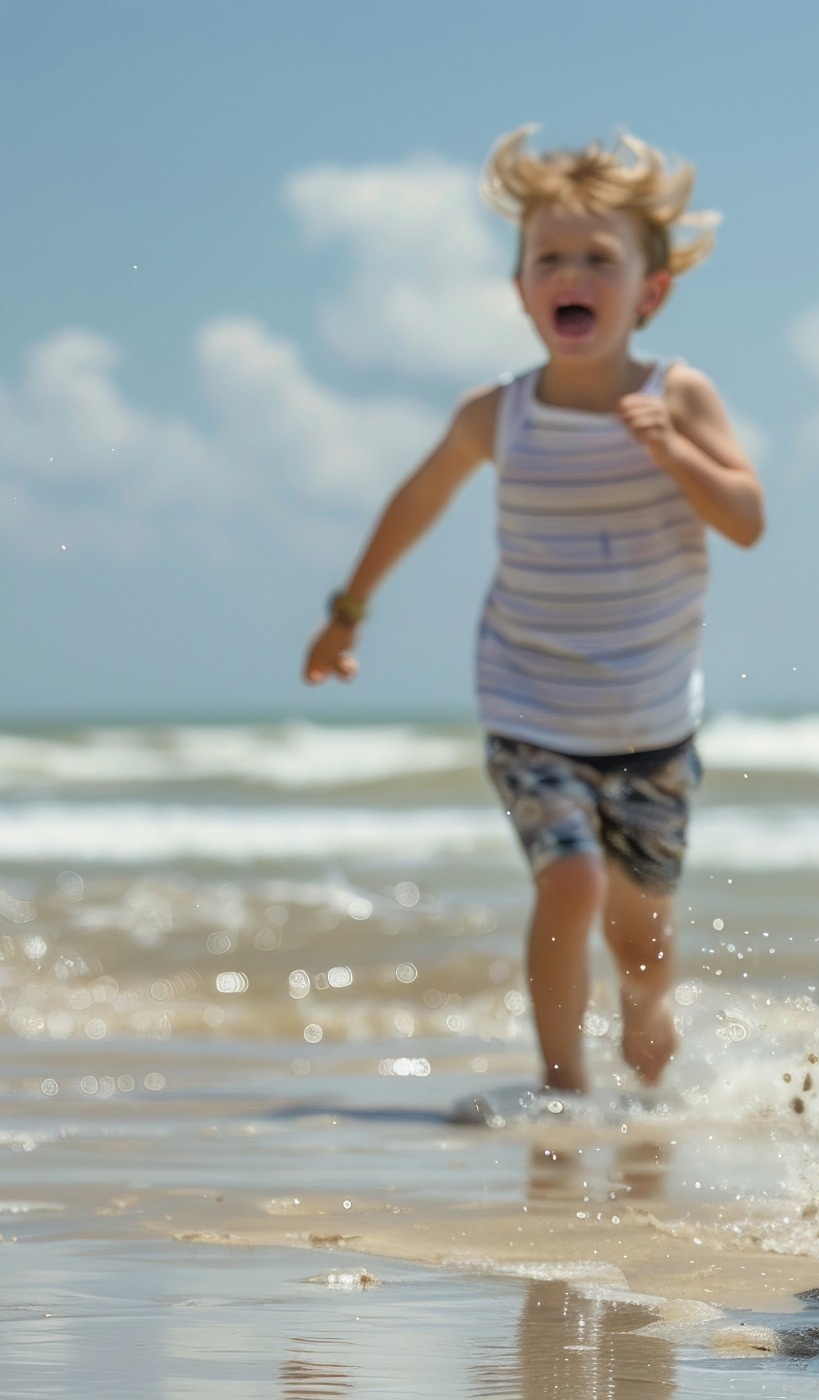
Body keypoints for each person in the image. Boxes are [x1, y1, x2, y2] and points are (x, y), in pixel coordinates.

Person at [303, 127, 764, 1095]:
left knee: (640, 930)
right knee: (570, 880)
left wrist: (675, 451)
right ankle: (563, 1089)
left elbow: (747, 517)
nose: (572, 272)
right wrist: (348, 610)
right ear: (521, 290)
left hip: (650, 718)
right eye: (549, 257)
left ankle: (646, 1037)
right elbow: (418, 500)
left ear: (651, 290)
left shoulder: (675, 393)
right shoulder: (498, 412)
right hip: (528, 703)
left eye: (600, 258)